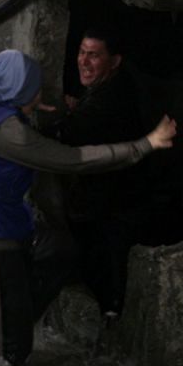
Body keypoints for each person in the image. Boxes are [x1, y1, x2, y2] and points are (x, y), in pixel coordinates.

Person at [0, 49, 176, 366]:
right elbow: (73, 159)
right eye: (34, 87)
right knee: (9, 353)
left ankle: (9, 320)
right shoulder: (11, 135)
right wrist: (145, 144)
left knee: (60, 249)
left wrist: (26, 105)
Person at [53, 27, 149, 319]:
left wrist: (61, 117)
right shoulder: (107, 89)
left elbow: (73, 131)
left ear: (115, 61)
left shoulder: (113, 97)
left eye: (94, 55)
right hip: (103, 202)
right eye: (82, 53)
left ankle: (109, 322)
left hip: (110, 204)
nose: (84, 61)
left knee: (105, 275)